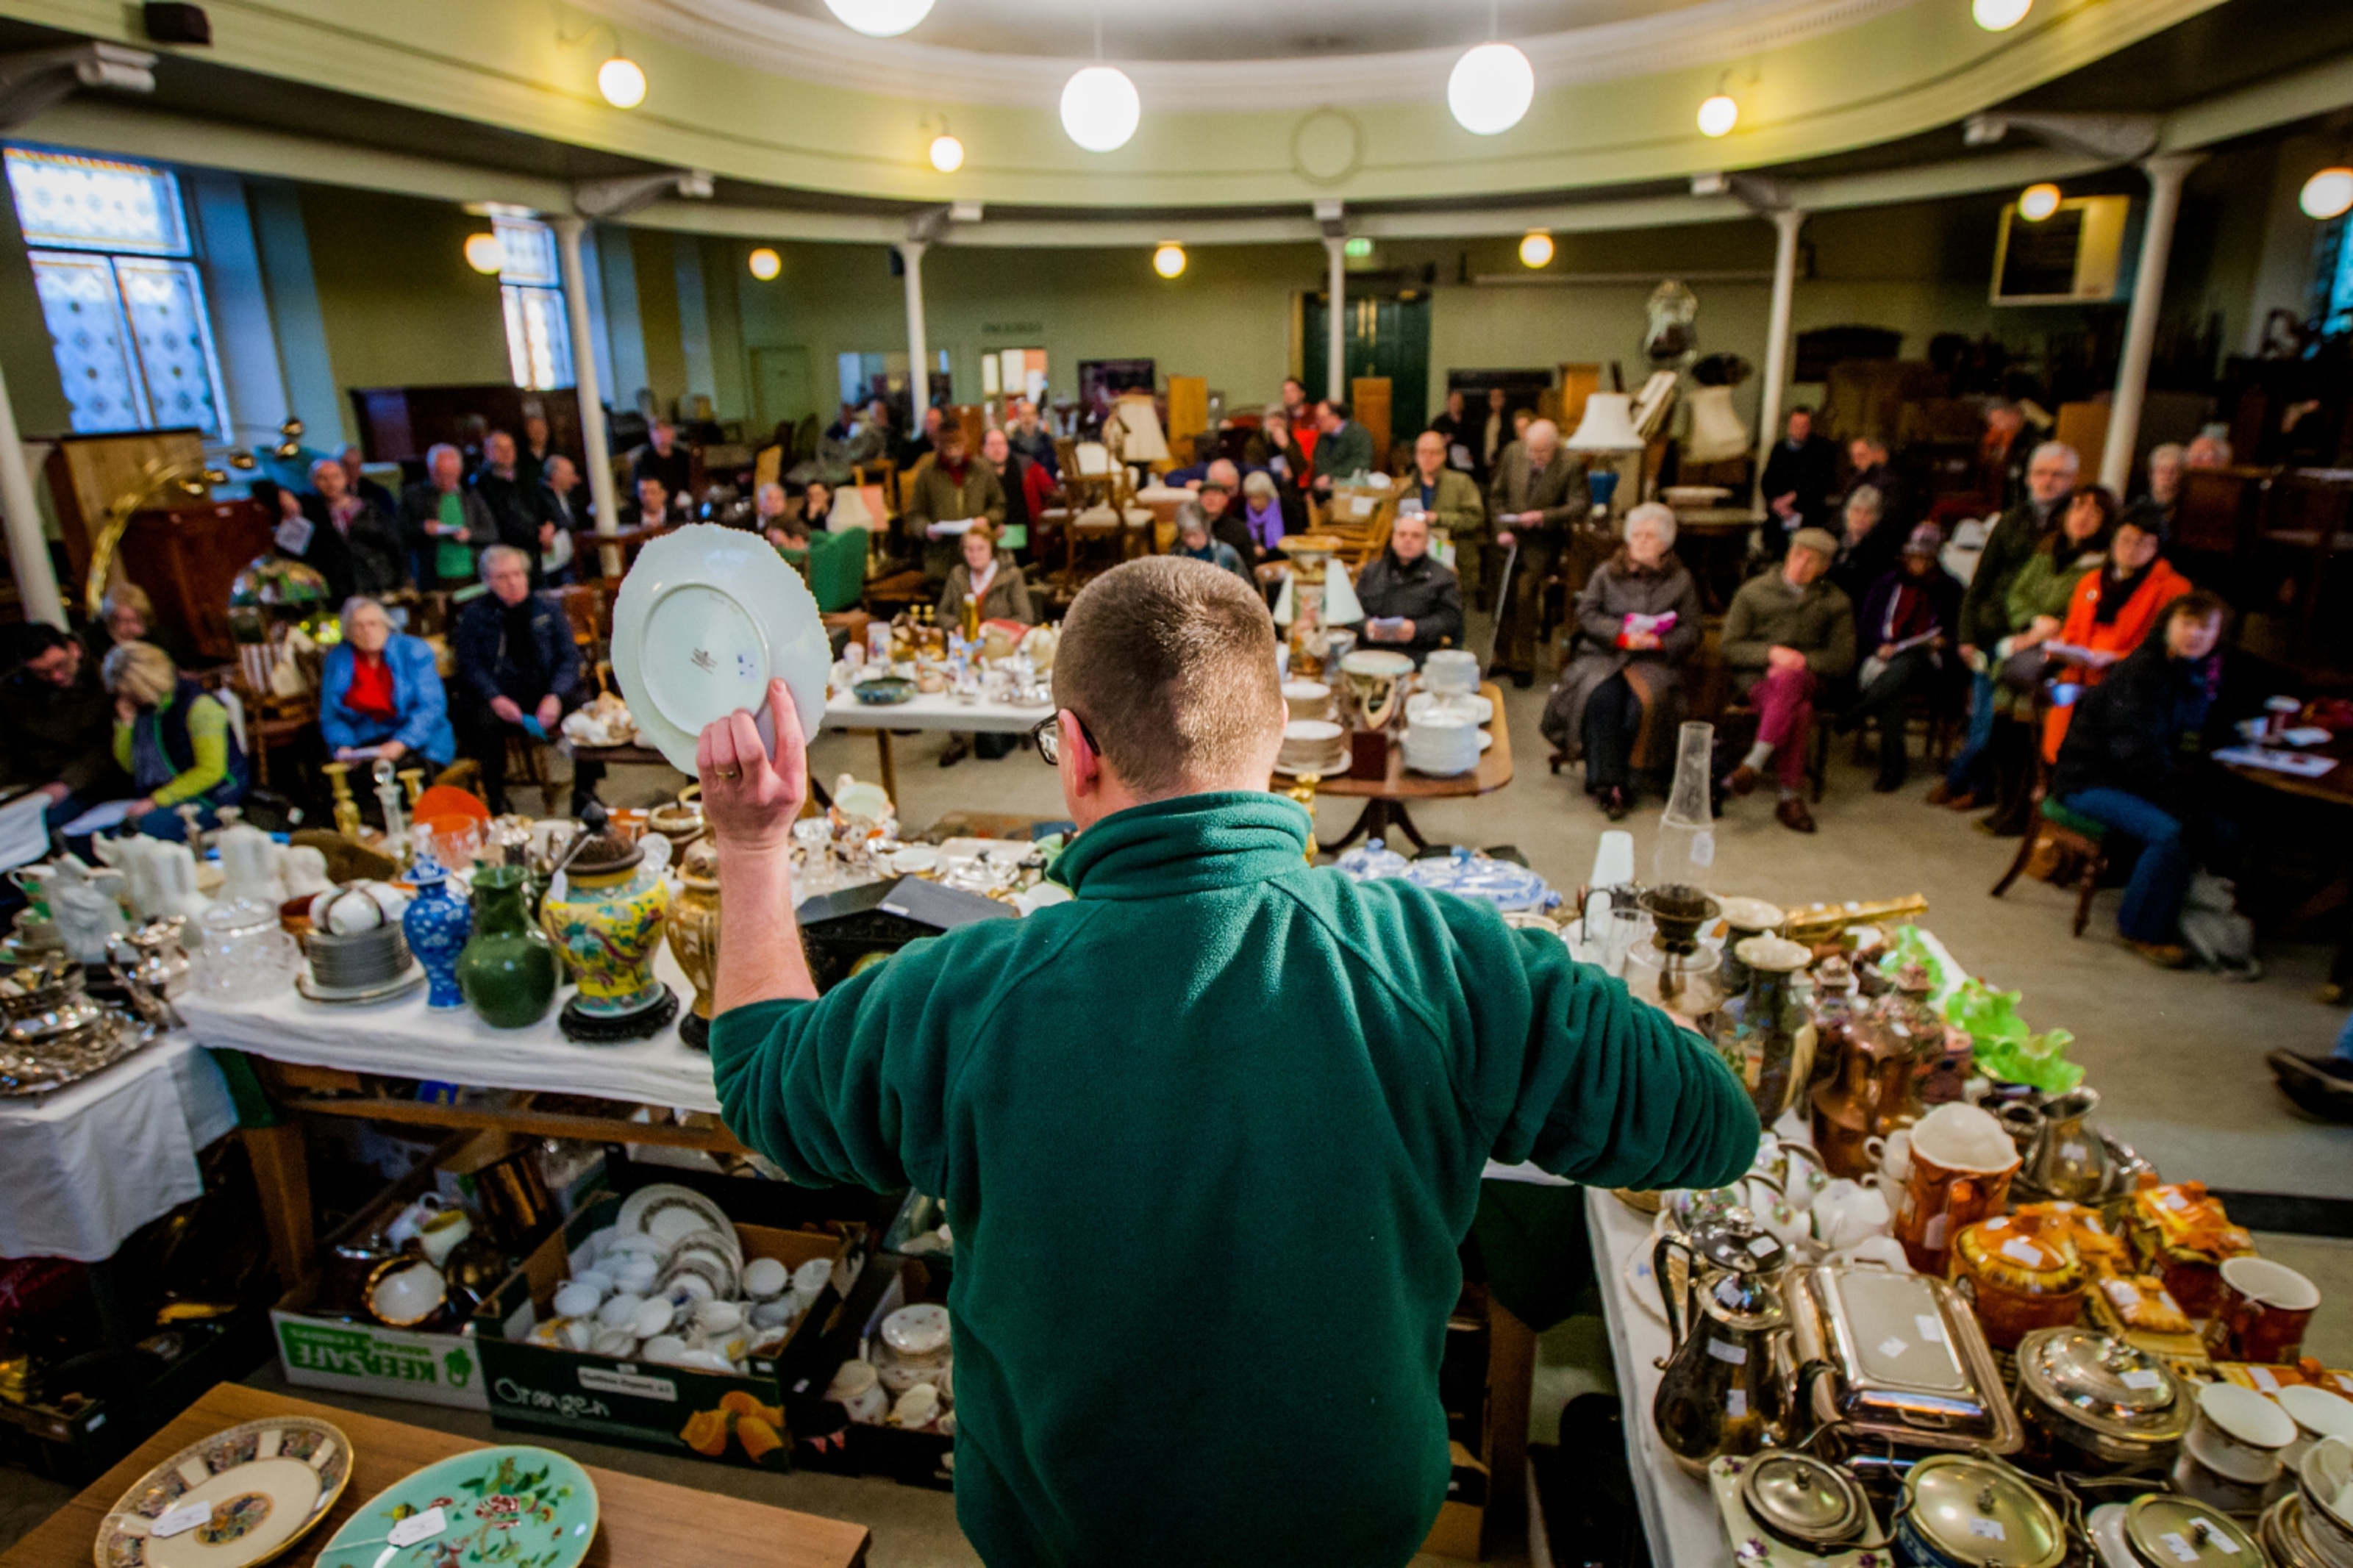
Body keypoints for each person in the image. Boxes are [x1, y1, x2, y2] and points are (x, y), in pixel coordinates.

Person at [697, 555, 1756, 1568]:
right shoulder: (1436, 962)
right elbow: (1711, 1123)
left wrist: (751, 847)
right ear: (1283, 736)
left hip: (1073, 1535)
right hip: (1347, 1530)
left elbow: (760, 1078)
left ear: (1074, 749)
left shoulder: (968, 996)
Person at [2052, 593, 2237, 967]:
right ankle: (2140, 930)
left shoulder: (2188, 672)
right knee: (2174, 831)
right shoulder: (2144, 672)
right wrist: (2178, 799)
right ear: (2167, 625)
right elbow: (2135, 752)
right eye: (2187, 623)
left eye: (2206, 628)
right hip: (2089, 780)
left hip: (2130, 779)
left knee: (2218, 823)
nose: (2195, 635)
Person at [1931, 482, 2112, 812]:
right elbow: (2018, 593)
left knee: (2019, 736)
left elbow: (2082, 613)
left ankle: (2012, 807)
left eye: (2094, 511)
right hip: (2024, 640)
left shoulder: (2099, 567)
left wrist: (2052, 625)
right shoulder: (2046, 551)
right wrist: (2034, 621)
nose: (2083, 516)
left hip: (2058, 657)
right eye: (2078, 507)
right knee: (1995, 729)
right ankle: (1992, 796)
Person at [1540, 503, 1703, 822]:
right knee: (1601, 698)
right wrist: (1620, 635)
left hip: (1653, 661)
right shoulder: (1606, 572)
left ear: (1666, 543)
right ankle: (1607, 784)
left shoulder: (1681, 581)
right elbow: (1586, 614)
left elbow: (1692, 629)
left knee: (1640, 705)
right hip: (1605, 655)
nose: (1641, 542)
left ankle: (1631, 777)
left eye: (1651, 536)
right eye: (1636, 535)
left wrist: (1659, 642)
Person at [1954, 440, 2079, 809]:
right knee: (1982, 720)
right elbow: (1979, 584)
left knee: (2006, 727)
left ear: (2072, 480)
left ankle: (1991, 791)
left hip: (2034, 636)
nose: (2048, 481)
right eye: (2041, 473)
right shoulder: (2012, 520)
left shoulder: (2072, 527)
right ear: (2028, 478)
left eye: (2058, 475)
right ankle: (1972, 784)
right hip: (1993, 630)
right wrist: (1966, 635)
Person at [1719, 528, 1857, 834]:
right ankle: (1790, 798)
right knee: (1801, 711)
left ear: (1825, 567)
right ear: (1787, 554)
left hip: (1810, 679)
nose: (1801, 564)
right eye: (1798, 555)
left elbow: (1843, 659)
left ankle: (1754, 763)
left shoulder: (1836, 602)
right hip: (1757, 681)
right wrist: (1771, 653)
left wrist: (1801, 661)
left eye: (1812, 561)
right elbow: (1730, 646)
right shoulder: (1753, 592)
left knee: (1792, 678)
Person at [450, 545, 597, 815]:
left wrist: (555, 695)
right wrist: (494, 696)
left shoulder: (547, 609)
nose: (513, 582)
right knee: (480, 720)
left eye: (518, 574)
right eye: (503, 577)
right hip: (501, 697)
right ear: (487, 581)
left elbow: (569, 659)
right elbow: (470, 666)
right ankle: (498, 800)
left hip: (546, 691)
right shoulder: (474, 616)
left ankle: (585, 793)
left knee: (585, 708)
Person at [2040, 509, 2192, 765]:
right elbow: (2073, 630)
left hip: (2128, 684)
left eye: (2143, 542)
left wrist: (2116, 657)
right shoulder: (2091, 581)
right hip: (2080, 677)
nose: (2132, 548)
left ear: (2157, 548)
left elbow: (2164, 647)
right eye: (2125, 539)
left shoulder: (2174, 589)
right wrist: (2063, 648)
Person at [1837, 523, 1963, 793]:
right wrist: (1879, 645)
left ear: (1934, 560)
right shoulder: (1887, 583)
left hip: (1929, 663)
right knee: (1893, 688)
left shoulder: (1950, 588)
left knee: (1911, 659)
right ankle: (1893, 764)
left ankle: (1859, 710)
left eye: (1924, 559)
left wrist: (1943, 642)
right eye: (1913, 557)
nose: (1917, 563)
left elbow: (1957, 631)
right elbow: (1867, 624)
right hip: (1888, 658)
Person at [102, 641, 249, 840]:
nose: (125, 699)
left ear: (146, 684)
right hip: (166, 795)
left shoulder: (199, 706)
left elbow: (211, 771)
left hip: (212, 796)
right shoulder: (146, 709)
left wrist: (157, 800)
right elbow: (131, 766)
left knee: (130, 835)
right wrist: (126, 726)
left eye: (130, 693)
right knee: (100, 837)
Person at [1488, 418, 1590, 687]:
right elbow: (1497, 496)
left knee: (1524, 597)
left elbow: (1579, 505)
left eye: (1542, 452)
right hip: (1510, 536)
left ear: (1555, 447)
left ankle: (1523, 664)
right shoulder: (1513, 452)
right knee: (1504, 594)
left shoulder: (1571, 464)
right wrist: (1501, 528)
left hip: (1542, 544)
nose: (1535, 457)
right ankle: (1501, 659)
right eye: (1531, 451)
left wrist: (1542, 516)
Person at [1, 625, 129, 829]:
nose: (56, 677)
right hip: (36, 781)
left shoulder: (105, 678)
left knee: (46, 823)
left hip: (94, 779)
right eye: (42, 672)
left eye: (61, 665)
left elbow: (108, 749)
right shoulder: (13, 692)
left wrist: (67, 783)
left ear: (74, 649)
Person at [319, 596, 456, 769]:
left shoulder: (412, 650)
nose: (367, 631)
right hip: (364, 746)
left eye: (373, 624)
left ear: (386, 625)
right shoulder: (338, 659)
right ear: (348, 632)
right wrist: (344, 745)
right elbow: (331, 716)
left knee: (400, 773)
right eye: (358, 626)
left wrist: (402, 742)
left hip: (419, 743)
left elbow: (431, 707)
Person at [283, 455, 407, 604]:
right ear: (313, 482)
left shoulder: (369, 509)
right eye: (323, 478)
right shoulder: (309, 512)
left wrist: (402, 581)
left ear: (345, 478)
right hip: (334, 591)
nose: (331, 483)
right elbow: (291, 551)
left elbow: (395, 545)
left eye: (335, 477)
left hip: (377, 585)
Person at [1354, 510, 1464, 669]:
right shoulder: (1371, 571)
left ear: (1426, 542)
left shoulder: (1443, 577)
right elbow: (1350, 612)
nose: (1408, 540)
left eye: (1416, 536)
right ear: (1393, 539)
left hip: (1417, 655)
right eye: (1402, 534)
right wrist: (1366, 625)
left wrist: (1417, 629)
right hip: (1370, 652)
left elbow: (1451, 619)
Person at [904, 422, 1007, 586]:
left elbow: (999, 505)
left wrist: (987, 519)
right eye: (948, 446)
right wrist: (926, 528)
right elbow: (915, 513)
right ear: (939, 446)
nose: (953, 451)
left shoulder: (981, 469)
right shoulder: (928, 474)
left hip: (978, 556)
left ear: (965, 443)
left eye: (958, 445)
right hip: (941, 558)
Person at [1395, 431, 1485, 601]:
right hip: (1416, 567)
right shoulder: (1406, 486)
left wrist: (1438, 518)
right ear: (1416, 456)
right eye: (1422, 453)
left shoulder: (1461, 482)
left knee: (1452, 619)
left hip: (1455, 564)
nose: (1428, 458)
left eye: (1433, 453)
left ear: (1444, 455)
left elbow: (1476, 518)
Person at [399, 443, 496, 590]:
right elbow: (400, 533)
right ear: (430, 470)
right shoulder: (414, 496)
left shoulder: (471, 495)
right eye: (439, 474)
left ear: (459, 471)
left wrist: (470, 535)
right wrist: (423, 529)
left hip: (470, 573)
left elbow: (491, 532)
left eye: (450, 475)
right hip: (432, 576)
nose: (445, 480)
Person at [471, 430, 555, 575]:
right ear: (487, 451)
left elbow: (545, 507)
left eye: (510, 448)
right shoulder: (480, 485)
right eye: (499, 448)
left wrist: (549, 526)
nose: (507, 452)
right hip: (506, 557)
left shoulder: (526, 477)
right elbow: (501, 521)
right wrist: (536, 535)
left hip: (539, 553)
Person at [1760, 408, 1838, 554]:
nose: (1800, 430)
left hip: (1807, 515)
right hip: (1778, 517)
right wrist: (1776, 502)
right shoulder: (1780, 449)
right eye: (1796, 425)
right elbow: (1768, 480)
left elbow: (1822, 482)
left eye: (1805, 425)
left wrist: (1793, 497)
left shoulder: (1822, 450)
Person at [84, 580, 197, 671]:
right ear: (110, 621)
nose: (133, 628)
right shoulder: (92, 645)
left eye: (138, 620)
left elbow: (189, 663)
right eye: (125, 621)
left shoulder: (160, 636)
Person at [1825, 484, 1902, 616]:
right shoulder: (1831, 539)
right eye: (1856, 510)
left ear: (1876, 517)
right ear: (1847, 512)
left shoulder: (1881, 549)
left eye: (1868, 513)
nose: (1861, 517)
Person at [984, 427, 1055, 552]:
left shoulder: (1024, 467)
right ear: (983, 449)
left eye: (1001, 444)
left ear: (1007, 447)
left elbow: (1049, 489)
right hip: (990, 535)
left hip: (1023, 530)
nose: (997, 449)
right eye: (992, 444)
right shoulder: (978, 475)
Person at [1171, 501, 1252, 585]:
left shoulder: (1227, 553)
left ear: (1205, 529)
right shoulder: (1177, 553)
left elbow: (1246, 589)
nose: (1190, 540)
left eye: (1194, 534)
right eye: (1185, 536)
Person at [1309, 398, 1375, 496]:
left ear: (1334, 417)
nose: (1317, 423)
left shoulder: (1358, 434)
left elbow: (1361, 464)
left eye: (1321, 418)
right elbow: (1320, 463)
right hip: (1326, 492)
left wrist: (1330, 477)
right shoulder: (1324, 437)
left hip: (1351, 493)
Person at [538, 454, 585, 584]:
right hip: (554, 562)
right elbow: (560, 524)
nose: (574, 479)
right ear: (555, 476)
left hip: (571, 555)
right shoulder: (542, 497)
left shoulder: (569, 496)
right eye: (570, 474)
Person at [1844, 436, 1905, 531]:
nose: (1856, 462)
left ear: (1875, 455)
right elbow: (1843, 509)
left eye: (1861, 456)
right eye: (1854, 457)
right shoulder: (1856, 479)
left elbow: (1888, 520)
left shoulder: (1891, 482)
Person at [633, 419, 691, 500]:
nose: (663, 434)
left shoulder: (683, 457)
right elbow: (641, 494)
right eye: (658, 431)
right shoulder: (644, 462)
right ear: (651, 435)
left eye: (666, 429)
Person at [1238, 470, 1290, 558]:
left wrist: (1266, 553)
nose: (1254, 503)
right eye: (1251, 498)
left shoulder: (1286, 508)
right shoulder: (1242, 511)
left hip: (1283, 557)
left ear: (1268, 495)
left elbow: (1293, 541)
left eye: (1259, 497)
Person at [339, 445, 399, 518]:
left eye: (356, 466)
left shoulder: (378, 494)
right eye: (347, 465)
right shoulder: (328, 495)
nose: (352, 471)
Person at [1427, 389, 1476, 475]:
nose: (1456, 404)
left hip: (1465, 467)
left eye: (1459, 402)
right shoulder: (1439, 422)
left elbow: (1476, 443)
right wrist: (1442, 441)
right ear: (1448, 403)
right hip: (1446, 466)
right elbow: (1430, 441)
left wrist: (1473, 455)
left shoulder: (1469, 422)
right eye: (1454, 402)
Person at [1007, 399, 1059, 478]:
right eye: (1023, 414)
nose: (1027, 418)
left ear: (1036, 417)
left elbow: (1054, 469)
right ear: (1018, 417)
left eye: (1031, 414)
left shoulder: (1048, 442)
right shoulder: (1011, 445)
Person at [754, 482, 805, 550]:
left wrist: (788, 543)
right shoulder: (751, 521)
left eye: (778, 498)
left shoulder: (792, 523)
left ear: (784, 504)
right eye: (769, 498)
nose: (774, 503)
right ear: (760, 505)